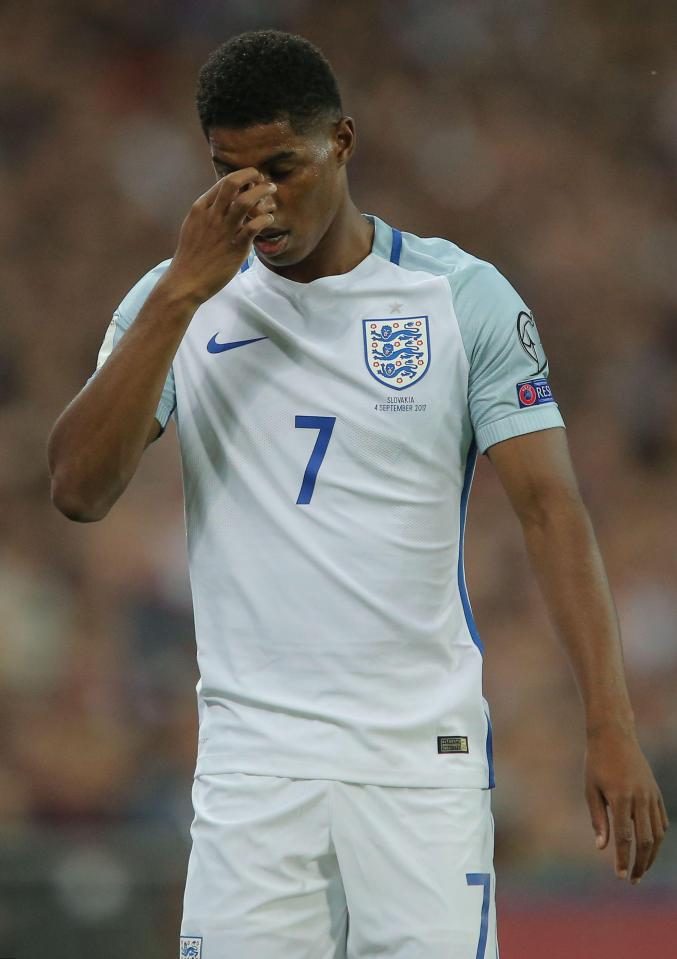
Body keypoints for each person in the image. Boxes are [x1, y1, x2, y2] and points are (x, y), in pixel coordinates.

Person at [47, 29, 668, 959]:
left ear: (341, 140)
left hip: (419, 764)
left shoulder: (460, 298)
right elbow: (77, 489)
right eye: (230, 172)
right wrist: (181, 292)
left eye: (281, 166)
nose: (258, 199)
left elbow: (551, 511)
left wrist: (609, 724)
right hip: (253, 770)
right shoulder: (176, 302)